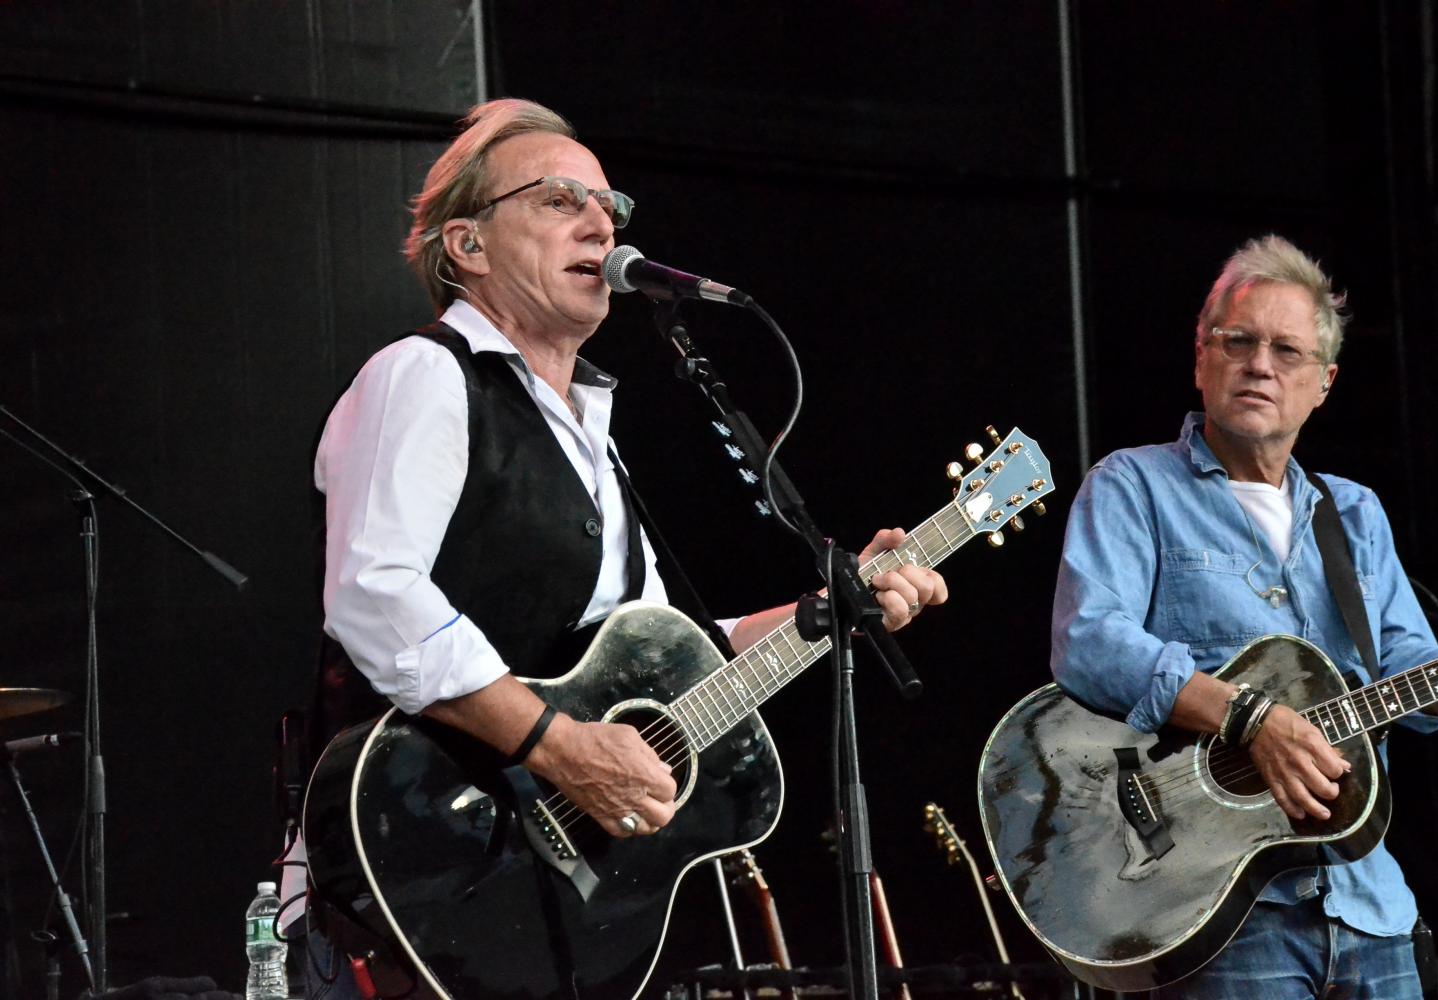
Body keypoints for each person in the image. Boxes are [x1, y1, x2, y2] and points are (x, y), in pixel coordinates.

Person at [285, 98, 946, 997]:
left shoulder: (591, 428)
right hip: (418, 865)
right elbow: (374, 593)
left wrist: (833, 610)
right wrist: (556, 746)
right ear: (466, 246)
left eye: (609, 205)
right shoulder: (424, 375)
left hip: (552, 922)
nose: (601, 222)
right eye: (559, 200)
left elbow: (661, 656)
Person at [1049, 235, 1438, 999]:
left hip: (1369, 907)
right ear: (1201, 360)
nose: (1259, 364)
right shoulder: (1133, 485)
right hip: (1218, 910)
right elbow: (1088, 640)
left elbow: (1408, 676)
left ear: (1322, 383)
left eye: (1286, 351)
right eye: (1238, 342)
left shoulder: (1353, 513)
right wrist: (1250, 718)